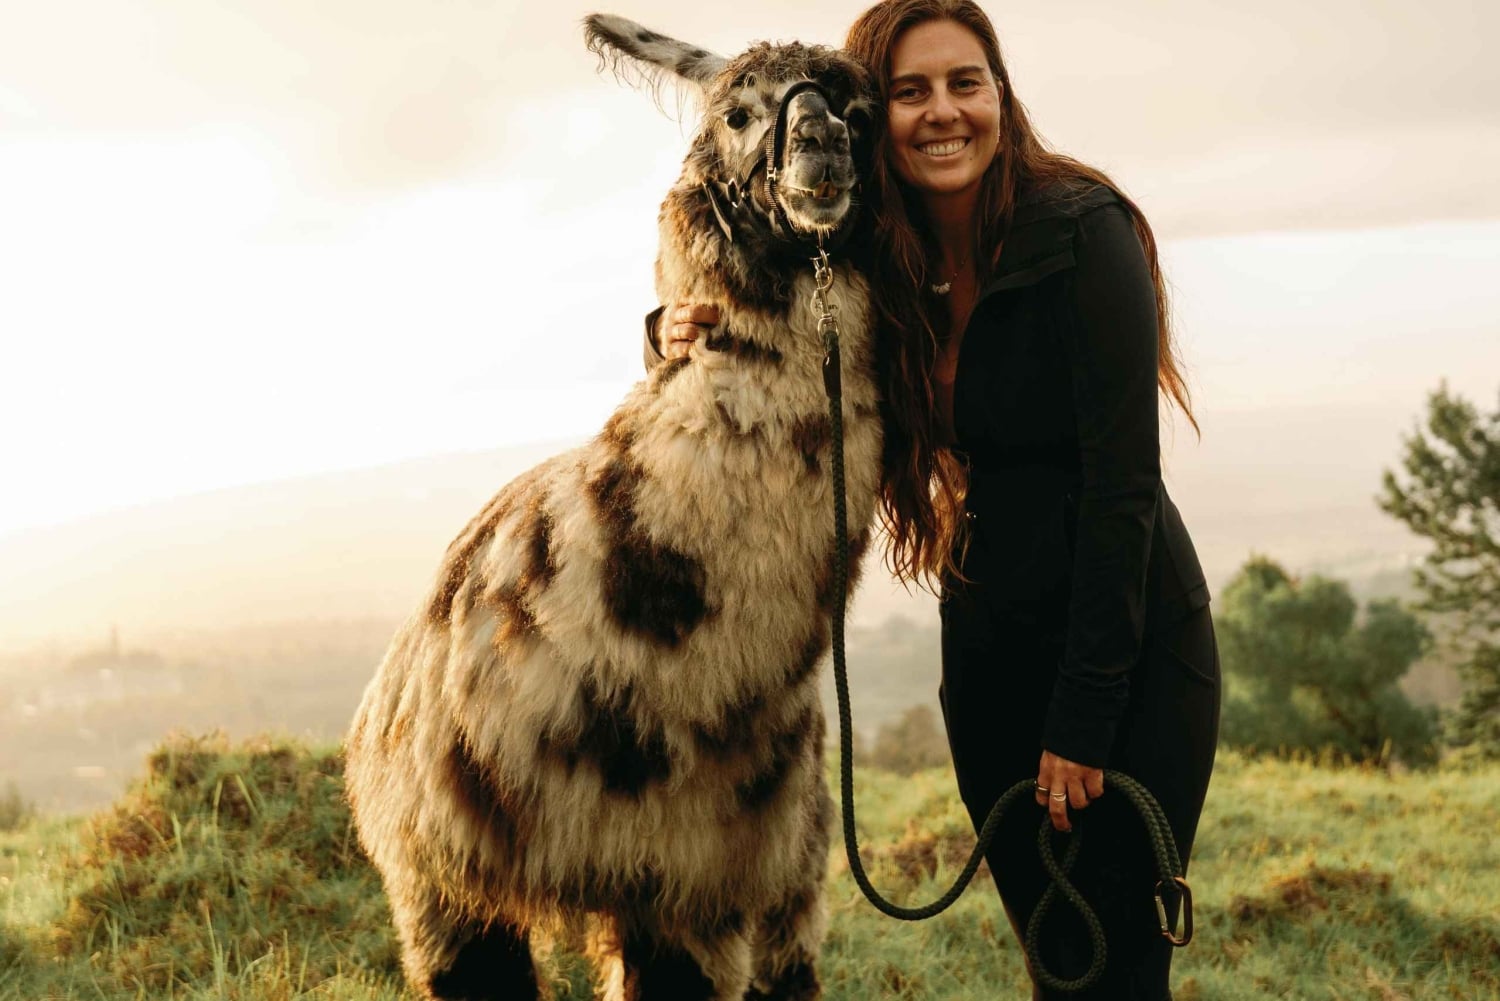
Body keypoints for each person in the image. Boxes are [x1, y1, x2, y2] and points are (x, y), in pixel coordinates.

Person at [645, 2, 1220, 997]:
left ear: (1001, 95)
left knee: (1119, 966)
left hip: (1123, 644)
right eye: (910, 92)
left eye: (965, 83)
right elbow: (758, 304)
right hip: (988, 645)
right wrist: (666, 329)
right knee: (1056, 962)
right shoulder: (877, 256)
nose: (943, 112)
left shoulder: (1084, 232)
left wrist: (1085, 718)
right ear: (872, 119)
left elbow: (1124, 487)